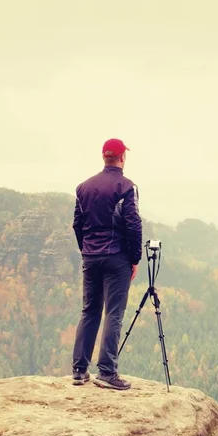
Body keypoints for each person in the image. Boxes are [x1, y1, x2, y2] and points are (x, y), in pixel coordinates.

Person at [71, 138, 142, 389]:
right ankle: (107, 373)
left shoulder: (83, 188)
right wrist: (134, 259)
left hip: (90, 257)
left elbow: (77, 225)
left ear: (104, 157)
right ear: (122, 158)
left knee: (89, 311)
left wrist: (87, 250)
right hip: (117, 258)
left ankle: (79, 371)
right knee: (114, 313)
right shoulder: (126, 186)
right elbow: (133, 224)